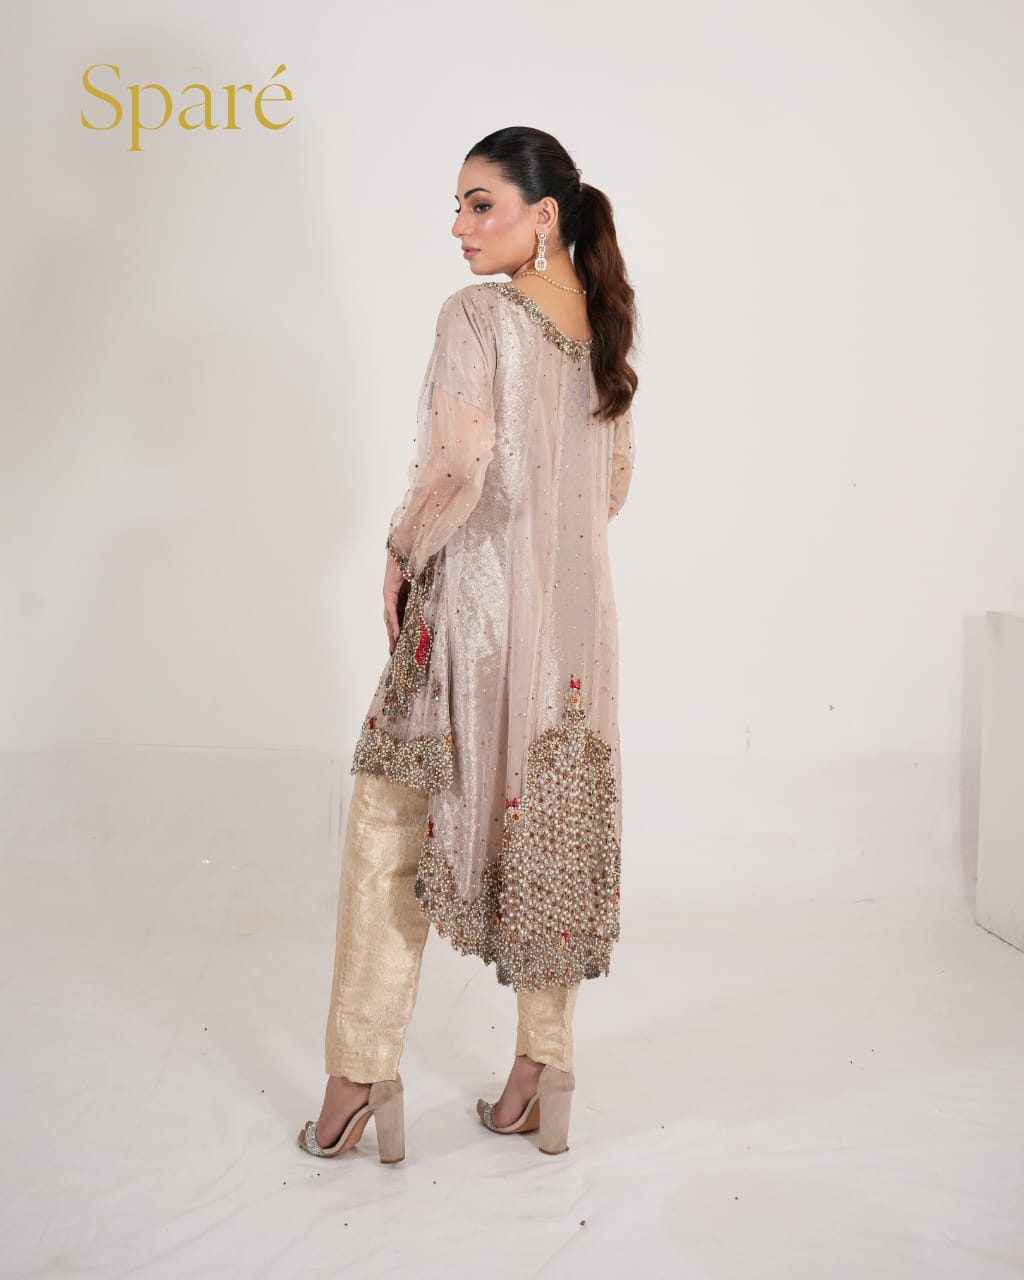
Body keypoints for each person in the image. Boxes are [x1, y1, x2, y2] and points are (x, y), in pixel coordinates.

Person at [297, 125, 637, 1162]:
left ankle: (359, 1076)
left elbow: (458, 465)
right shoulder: (606, 327)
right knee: (552, 829)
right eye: (456, 206)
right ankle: (543, 1068)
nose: (458, 227)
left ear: (545, 214)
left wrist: (403, 550)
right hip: (577, 628)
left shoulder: (476, 316)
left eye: (479, 204)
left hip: (475, 618)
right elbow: (613, 487)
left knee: (389, 826)